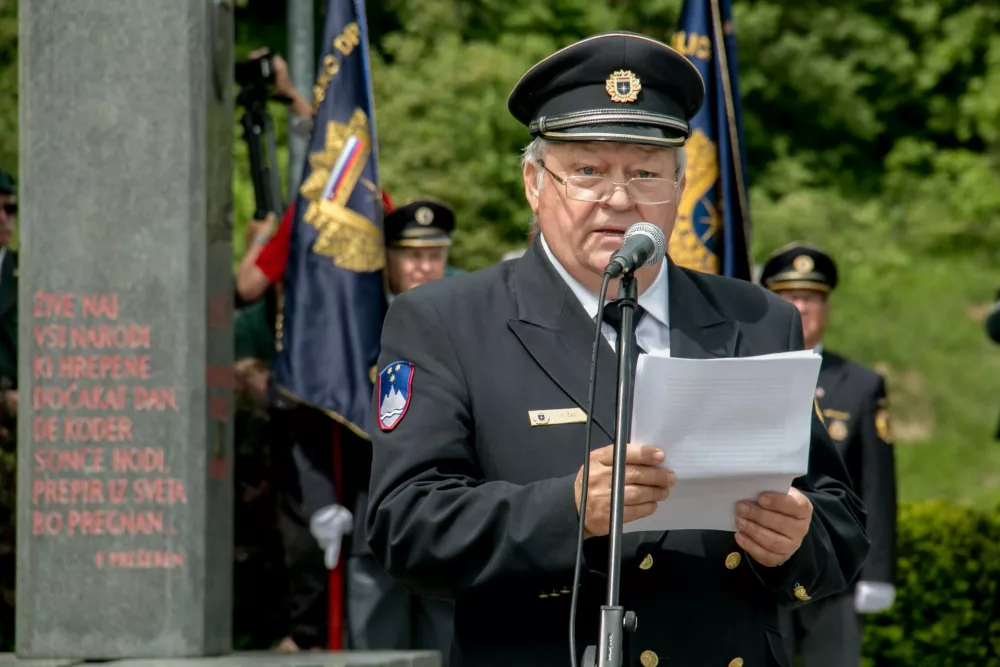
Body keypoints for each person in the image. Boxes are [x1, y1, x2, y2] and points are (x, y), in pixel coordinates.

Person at [365, 31, 869, 667]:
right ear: (533, 182)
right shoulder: (446, 321)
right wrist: (568, 508)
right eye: (587, 171)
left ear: (680, 186)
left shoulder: (757, 319)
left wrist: (798, 540)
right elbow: (406, 527)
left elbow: (842, 523)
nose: (620, 199)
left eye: (645, 172)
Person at [760, 242, 897, 667]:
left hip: (836, 567)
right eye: (789, 297)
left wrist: (877, 571)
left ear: (827, 308)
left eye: (812, 298)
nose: (801, 307)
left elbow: (876, 484)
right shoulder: (747, 374)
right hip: (758, 562)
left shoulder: (859, 383)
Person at [346, 199, 457, 659]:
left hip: (452, 511)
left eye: (435, 255)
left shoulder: (466, 314)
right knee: (376, 652)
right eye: (412, 255)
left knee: (449, 648)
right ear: (387, 257)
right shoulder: (355, 320)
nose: (424, 266)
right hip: (371, 512)